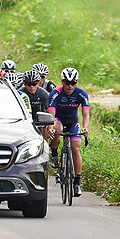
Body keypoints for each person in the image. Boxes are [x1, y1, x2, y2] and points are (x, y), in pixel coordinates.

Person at [48, 67, 89, 197]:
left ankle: (77, 183)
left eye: (73, 83)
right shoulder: (55, 93)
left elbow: (85, 114)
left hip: (73, 122)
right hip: (58, 120)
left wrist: (86, 127)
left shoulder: (81, 94)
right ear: (62, 81)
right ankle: (54, 153)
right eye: (67, 83)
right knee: (57, 129)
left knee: (76, 148)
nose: (70, 86)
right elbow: (51, 112)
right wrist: (50, 127)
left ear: (76, 83)